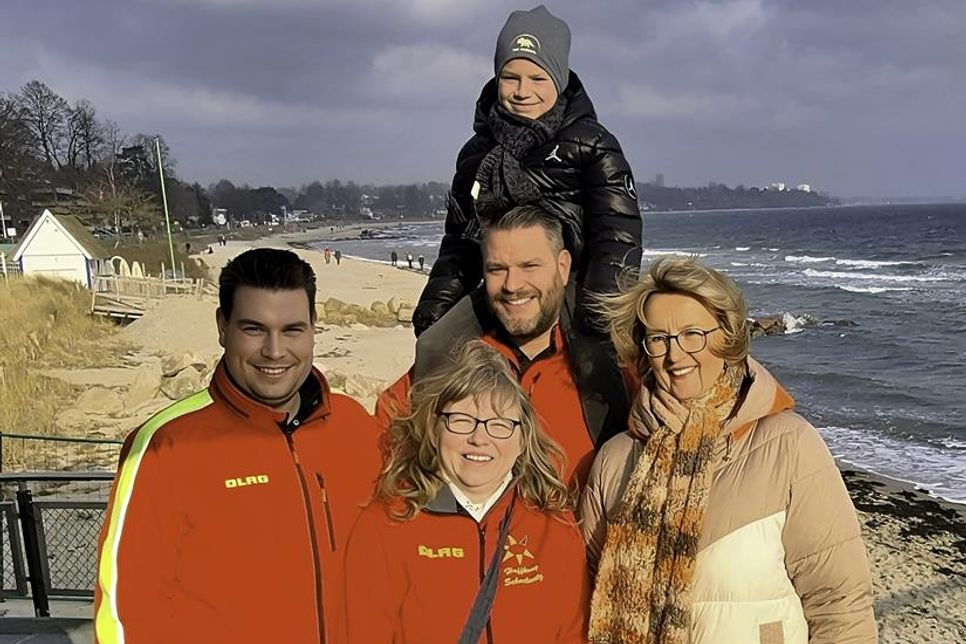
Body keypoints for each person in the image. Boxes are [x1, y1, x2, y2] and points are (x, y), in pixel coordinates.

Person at [580, 257, 877, 643]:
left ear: (727, 337)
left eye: (692, 334)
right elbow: (585, 591)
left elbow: (840, 603)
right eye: (658, 338)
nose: (675, 355)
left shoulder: (788, 445)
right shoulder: (617, 459)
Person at [94, 248, 382, 644]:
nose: (275, 351)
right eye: (254, 329)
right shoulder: (167, 445)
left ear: (315, 326)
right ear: (222, 326)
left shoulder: (356, 427)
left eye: (292, 329)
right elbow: (124, 615)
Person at [413, 5, 641, 340]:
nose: (523, 91)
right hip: (501, 286)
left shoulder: (593, 145)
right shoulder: (476, 155)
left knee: (597, 375)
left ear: (559, 81)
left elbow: (617, 237)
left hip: (572, 290)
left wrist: (600, 316)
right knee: (434, 347)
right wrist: (436, 309)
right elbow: (460, 243)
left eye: (537, 78)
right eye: (510, 78)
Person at [345, 341, 589, 643]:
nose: (479, 438)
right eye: (461, 421)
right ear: (435, 429)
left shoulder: (553, 525)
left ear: (523, 439)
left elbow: (572, 633)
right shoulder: (387, 523)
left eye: (499, 425)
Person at [377, 205, 630, 491]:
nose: (512, 285)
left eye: (529, 266)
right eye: (497, 269)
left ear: (562, 268)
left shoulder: (611, 368)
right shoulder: (448, 362)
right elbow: (377, 446)